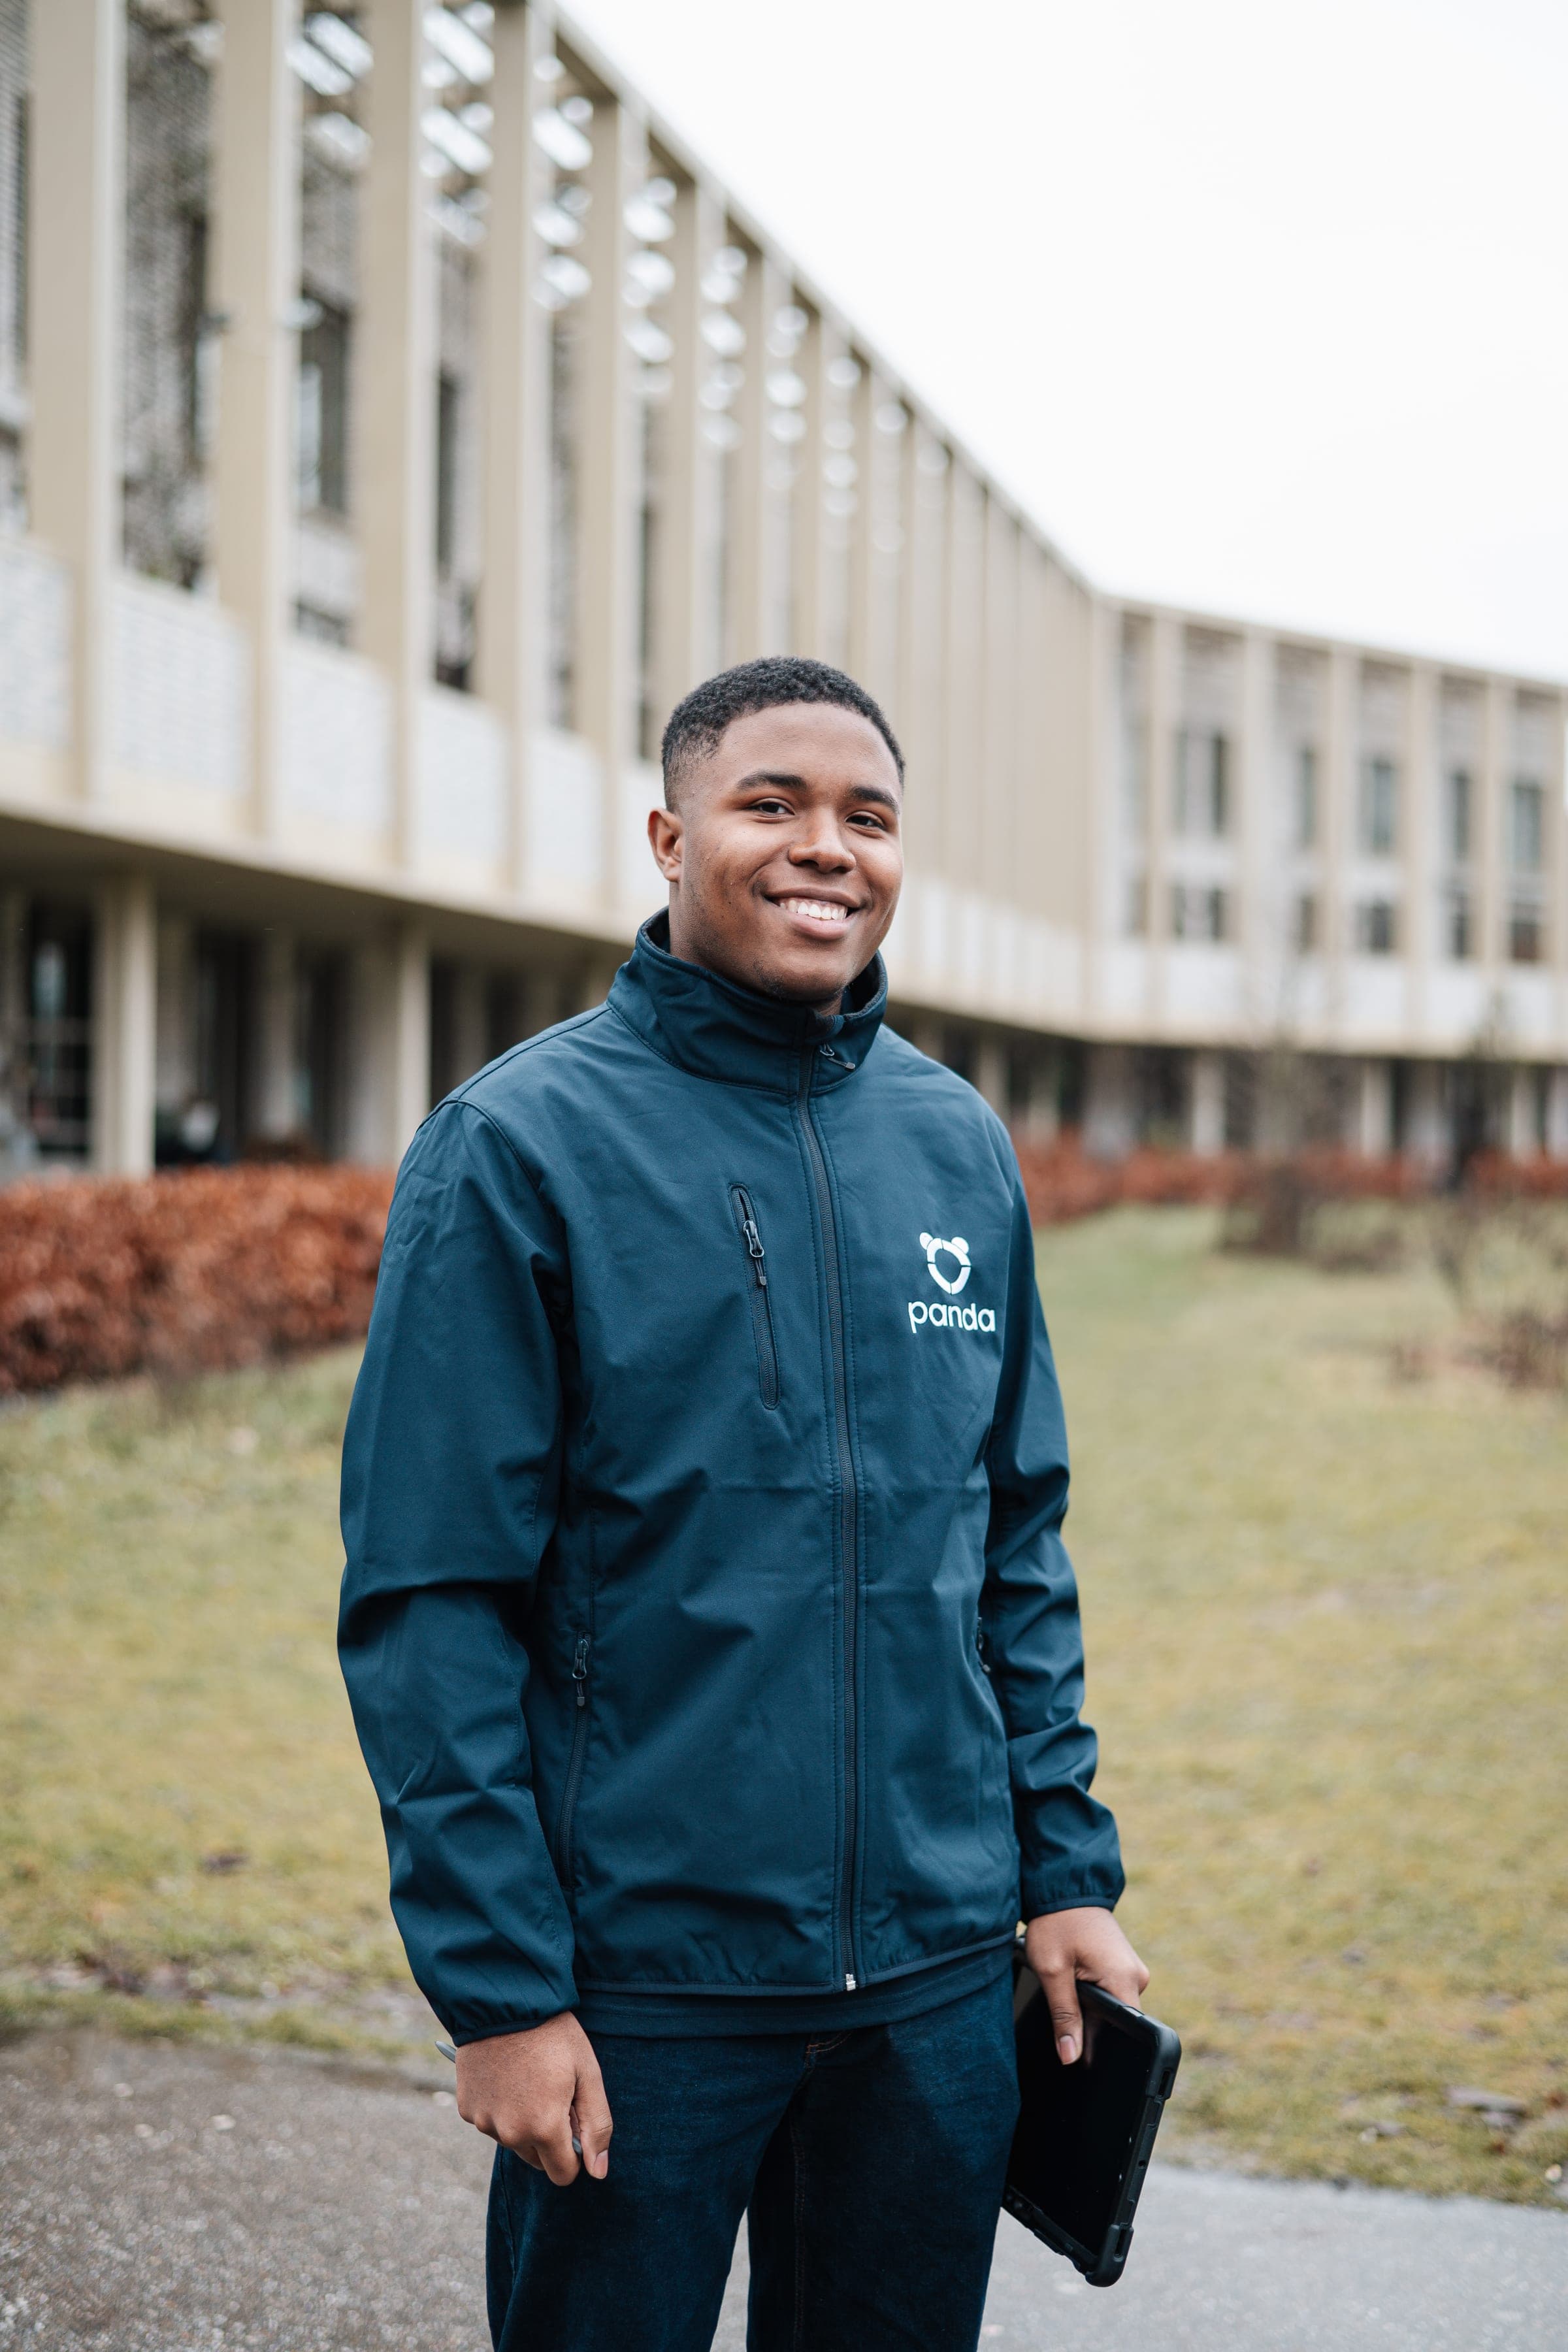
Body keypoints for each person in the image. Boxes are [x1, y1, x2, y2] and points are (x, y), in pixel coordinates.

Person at [338, 656, 1147, 2352]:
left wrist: (1065, 1871)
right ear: (668, 836)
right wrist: (501, 1993)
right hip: (643, 1994)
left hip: (935, 1987)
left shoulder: (955, 1143)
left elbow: (1013, 1545)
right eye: (771, 804)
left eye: (868, 815)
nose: (826, 847)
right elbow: (430, 1603)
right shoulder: (517, 1145)